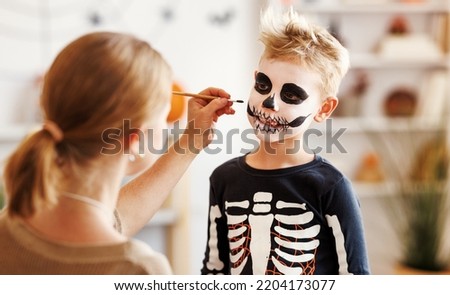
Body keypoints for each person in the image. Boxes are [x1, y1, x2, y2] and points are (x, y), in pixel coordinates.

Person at [0, 31, 235, 274]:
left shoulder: (8, 227)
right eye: (164, 117)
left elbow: (109, 220)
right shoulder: (137, 270)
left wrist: (189, 144)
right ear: (134, 139)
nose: (166, 127)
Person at [201, 7, 371, 275]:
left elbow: (356, 278)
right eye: (263, 86)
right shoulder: (223, 179)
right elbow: (214, 270)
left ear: (323, 109)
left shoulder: (331, 188)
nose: (270, 103)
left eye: (291, 96)